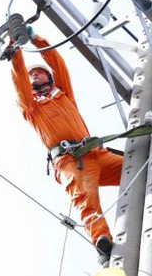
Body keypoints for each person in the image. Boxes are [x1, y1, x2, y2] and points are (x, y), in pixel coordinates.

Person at [8, 29, 123, 266]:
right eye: (32, 76)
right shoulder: (31, 108)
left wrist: (34, 38)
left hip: (95, 153)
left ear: (49, 78)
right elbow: (19, 78)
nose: (34, 77)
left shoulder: (64, 95)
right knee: (85, 198)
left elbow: (57, 63)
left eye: (39, 73)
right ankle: (101, 240)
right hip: (71, 161)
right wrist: (15, 52)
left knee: (138, 166)